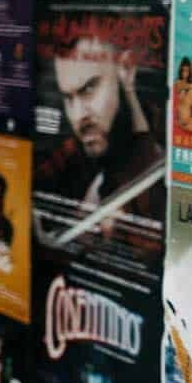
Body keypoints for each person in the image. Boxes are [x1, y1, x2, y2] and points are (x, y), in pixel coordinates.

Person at [36, 26, 165, 242]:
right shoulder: (76, 150)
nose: (78, 115)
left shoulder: (161, 136)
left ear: (125, 68)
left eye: (88, 89)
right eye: (68, 98)